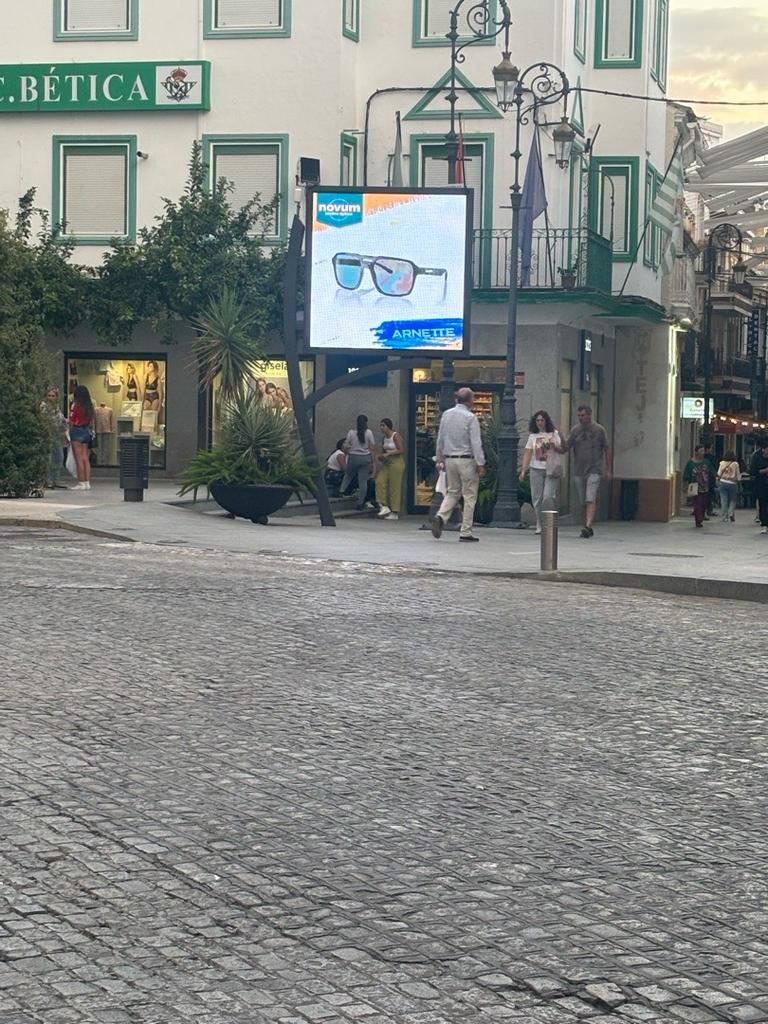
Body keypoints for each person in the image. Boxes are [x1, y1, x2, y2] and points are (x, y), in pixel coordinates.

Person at [431, 387, 486, 543]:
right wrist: (480, 462)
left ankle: (441, 516)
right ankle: (466, 531)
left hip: (450, 460)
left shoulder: (446, 415)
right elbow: (476, 442)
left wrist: (439, 458)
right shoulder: (470, 418)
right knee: (469, 496)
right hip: (466, 459)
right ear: (469, 400)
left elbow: (440, 438)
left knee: (452, 491)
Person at [558, 405, 611, 538]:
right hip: (579, 470)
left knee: (590, 498)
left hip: (595, 469)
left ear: (589, 415)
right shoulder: (575, 430)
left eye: (583, 415)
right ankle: (587, 525)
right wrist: (560, 438)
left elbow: (607, 449)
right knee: (583, 501)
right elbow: (565, 448)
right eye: (579, 416)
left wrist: (609, 469)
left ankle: (587, 526)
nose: (581, 418)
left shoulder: (599, 430)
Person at [520, 410, 563, 535]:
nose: (539, 423)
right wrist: (524, 470)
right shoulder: (533, 436)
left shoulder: (554, 434)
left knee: (548, 496)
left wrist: (553, 443)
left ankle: (548, 523)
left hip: (551, 469)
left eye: (542, 420)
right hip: (536, 469)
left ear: (546, 421)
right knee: (536, 498)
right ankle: (539, 523)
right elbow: (528, 453)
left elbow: (561, 448)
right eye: (537, 420)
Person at [341, 415, 377, 510]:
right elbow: (372, 447)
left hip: (353, 456)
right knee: (363, 481)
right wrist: (373, 462)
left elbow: (346, 445)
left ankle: (341, 491)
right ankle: (360, 503)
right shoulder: (369, 432)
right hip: (365, 457)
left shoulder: (351, 433)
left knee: (348, 475)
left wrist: (346, 453)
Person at [376, 419, 405, 521]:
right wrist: (381, 456)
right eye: (380, 426)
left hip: (397, 462)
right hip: (387, 462)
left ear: (389, 426)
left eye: (383, 425)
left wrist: (388, 454)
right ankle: (384, 505)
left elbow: (401, 449)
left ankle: (395, 511)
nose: (381, 428)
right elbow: (384, 450)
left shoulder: (395, 436)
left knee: (395, 487)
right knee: (380, 481)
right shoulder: (384, 438)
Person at [40, 386, 68, 489]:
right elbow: (45, 420)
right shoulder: (44, 406)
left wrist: (65, 428)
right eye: (49, 395)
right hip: (48, 434)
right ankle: (48, 480)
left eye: (53, 396)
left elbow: (61, 420)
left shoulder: (56, 408)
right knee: (49, 457)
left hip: (57, 435)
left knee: (59, 457)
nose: (51, 397)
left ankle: (55, 478)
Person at [69, 384, 94, 491]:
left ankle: (81, 482)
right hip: (86, 431)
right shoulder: (90, 405)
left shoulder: (75, 405)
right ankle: (87, 482)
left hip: (77, 430)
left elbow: (71, 420)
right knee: (85, 457)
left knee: (78, 458)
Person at [683, 444, 712, 527]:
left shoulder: (706, 462)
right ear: (696, 452)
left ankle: (702, 516)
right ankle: (698, 520)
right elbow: (686, 475)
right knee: (697, 503)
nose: (703, 453)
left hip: (705, 487)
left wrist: (717, 478)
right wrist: (685, 485)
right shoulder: (690, 463)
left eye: (703, 451)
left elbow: (712, 471)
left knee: (704, 503)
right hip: (695, 487)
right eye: (701, 451)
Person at [716, 449, 741, 523]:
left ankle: (724, 517)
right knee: (732, 500)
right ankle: (731, 513)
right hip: (733, 483)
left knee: (724, 500)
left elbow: (718, 473)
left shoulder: (722, 463)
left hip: (723, 482)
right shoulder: (736, 464)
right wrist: (739, 480)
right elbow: (738, 475)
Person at [749, 441, 768, 534]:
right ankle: (764, 524)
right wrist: (764, 471)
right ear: (763, 449)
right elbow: (752, 472)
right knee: (763, 504)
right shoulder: (756, 456)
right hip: (761, 484)